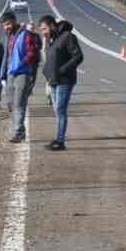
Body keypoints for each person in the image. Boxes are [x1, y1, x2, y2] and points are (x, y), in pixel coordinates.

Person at [39, 14, 83, 150]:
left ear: (52, 26)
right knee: (57, 111)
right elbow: (48, 59)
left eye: (44, 29)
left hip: (65, 80)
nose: (43, 32)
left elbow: (78, 56)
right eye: (41, 30)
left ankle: (60, 141)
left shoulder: (67, 37)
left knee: (60, 110)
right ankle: (58, 139)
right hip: (53, 81)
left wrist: (62, 70)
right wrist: (47, 73)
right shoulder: (52, 40)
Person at [0, 10, 41, 144]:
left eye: (9, 24)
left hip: (23, 73)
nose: (7, 27)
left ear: (14, 21)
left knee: (19, 103)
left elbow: (32, 53)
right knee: (10, 104)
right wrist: (3, 73)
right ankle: (19, 130)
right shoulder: (8, 36)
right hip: (10, 74)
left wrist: (22, 64)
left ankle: (18, 133)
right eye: (4, 25)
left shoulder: (25, 34)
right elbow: (7, 55)